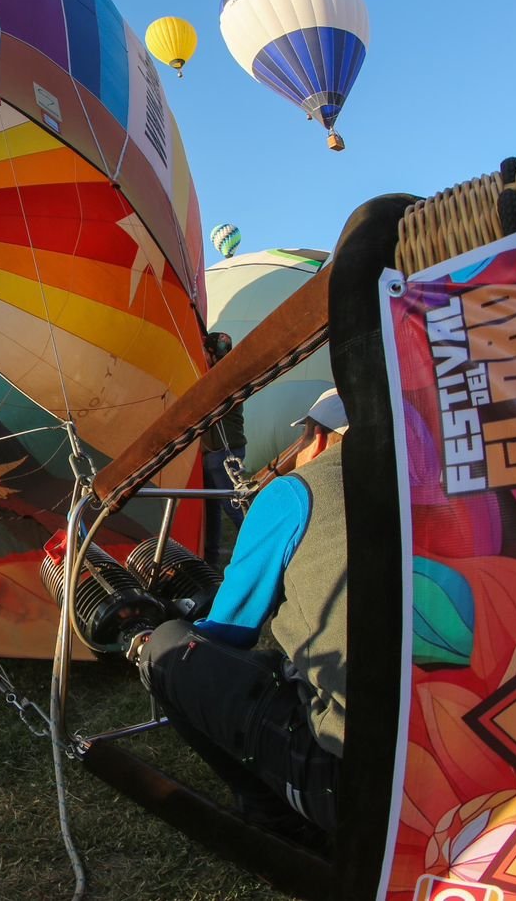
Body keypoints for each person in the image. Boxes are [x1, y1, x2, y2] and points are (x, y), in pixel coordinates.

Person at [131, 388, 349, 837]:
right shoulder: (441, 481)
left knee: (169, 652)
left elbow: (230, 631)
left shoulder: (296, 490)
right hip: (466, 759)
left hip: (354, 781)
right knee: (278, 665)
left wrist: (173, 627)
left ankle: (277, 821)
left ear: (320, 438)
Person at [199, 331, 247, 568]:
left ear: (210, 353)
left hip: (223, 454)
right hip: (218, 453)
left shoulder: (220, 378)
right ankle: (210, 559)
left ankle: (258, 551)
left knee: (235, 506)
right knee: (214, 509)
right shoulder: (231, 371)